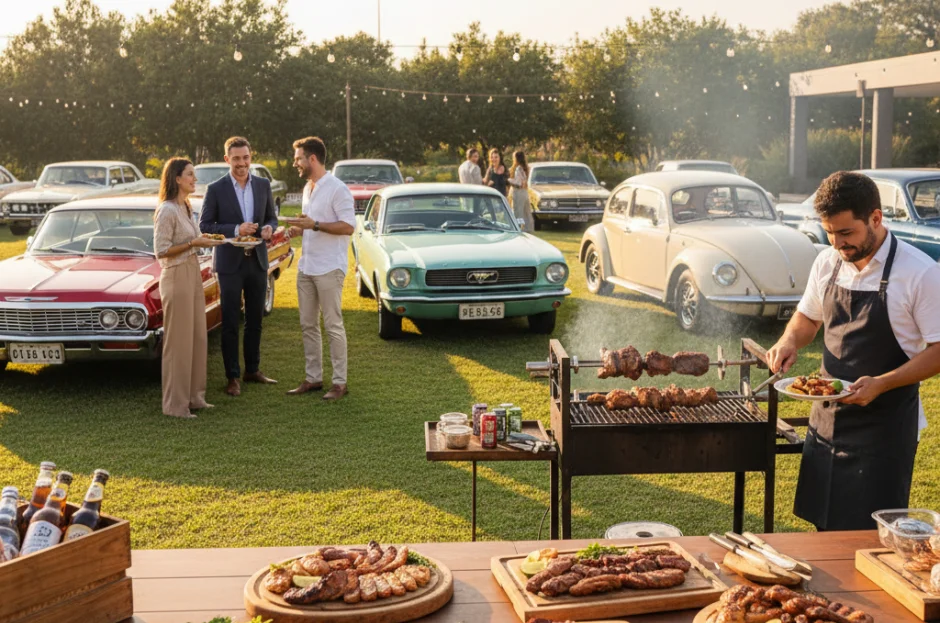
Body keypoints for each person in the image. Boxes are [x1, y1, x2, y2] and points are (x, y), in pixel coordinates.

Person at [767, 171, 940, 531]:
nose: (836, 243)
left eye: (846, 233)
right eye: (829, 232)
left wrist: (881, 383)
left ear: (876, 218)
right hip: (826, 419)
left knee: (868, 537)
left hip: (884, 427)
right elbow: (807, 318)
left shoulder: (920, 273)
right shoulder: (827, 262)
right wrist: (788, 341)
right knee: (823, 526)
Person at [199, 136, 279, 397]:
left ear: (251, 157)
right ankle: (233, 376)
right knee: (231, 322)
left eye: (245, 158)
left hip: (257, 261)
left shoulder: (263, 185)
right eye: (236, 159)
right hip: (229, 265)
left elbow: (271, 217)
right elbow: (205, 226)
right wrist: (235, 229)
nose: (242, 163)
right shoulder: (216, 189)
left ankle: (252, 369)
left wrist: (269, 228)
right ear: (227, 160)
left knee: (255, 319)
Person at [285, 136, 356, 401]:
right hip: (307, 267)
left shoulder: (338, 189)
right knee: (307, 325)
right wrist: (298, 228)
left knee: (333, 325)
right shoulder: (307, 188)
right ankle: (313, 378)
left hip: (329, 267)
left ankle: (339, 383)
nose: (295, 164)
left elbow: (348, 226)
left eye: (298, 159)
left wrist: (314, 225)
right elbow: (311, 224)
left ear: (312, 159)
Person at [153, 158, 217, 418]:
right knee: (178, 342)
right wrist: (193, 243)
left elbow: (192, 240)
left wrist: (204, 241)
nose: (194, 179)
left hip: (192, 273)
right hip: (175, 276)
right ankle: (175, 406)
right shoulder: (167, 210)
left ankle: (194, 397)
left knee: (197, 338)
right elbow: (161, 251)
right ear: (177, 178)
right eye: (190, 174)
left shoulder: (186, 206)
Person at [508, 150, 534, 231]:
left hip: (518, 192)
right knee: (526, 212)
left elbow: (518, 182)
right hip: (524, 192)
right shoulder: (526, 168)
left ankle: (518, 228)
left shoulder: (518, 169)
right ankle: (528, 228)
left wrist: (508, 180)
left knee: (518, 212)